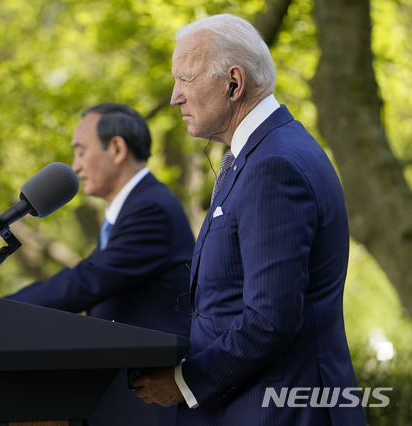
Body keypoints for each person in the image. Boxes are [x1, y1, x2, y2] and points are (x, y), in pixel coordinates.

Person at [133, 14, 367, 425]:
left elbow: (270, 318)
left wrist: (185, 382)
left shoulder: (273, 165)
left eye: (184, 79)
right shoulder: (255, 156)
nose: (174, 97)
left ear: (233, 82)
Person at [5, 102, 195, 426]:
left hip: (150, 408)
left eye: (81, 152)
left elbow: (88, 281)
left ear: (117, 148)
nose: (75, 166)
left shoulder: (152, 209)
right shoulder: (131, 211)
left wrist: (0, 310)